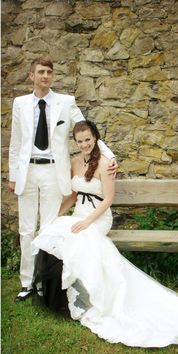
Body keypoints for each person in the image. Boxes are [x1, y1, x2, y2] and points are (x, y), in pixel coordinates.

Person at [32, 120, 178, 348]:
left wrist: (88, 221)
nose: (84, 145)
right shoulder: (75, 162)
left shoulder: (107, 164)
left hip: (98, 217)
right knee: (53, 234)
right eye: (80, 141)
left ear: (96, 138)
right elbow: (72, 197)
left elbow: (108, 200)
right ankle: (59, 298)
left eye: (88, 140)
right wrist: (54, 215)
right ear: (76, 142)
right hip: (80, 213)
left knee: (79, 239)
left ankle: (91, 296)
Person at [8, 57, 117, 303]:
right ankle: (26, 283)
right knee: (26, 230)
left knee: (48, 227)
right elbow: (16, 142)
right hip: (27, 170)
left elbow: (85, 128)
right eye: (41, 72)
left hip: (53, 172)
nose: (45, 76)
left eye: (49, 72)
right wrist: (13, 175)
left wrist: (110, 156)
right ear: (31, 76)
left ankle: (42, 281)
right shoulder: (20, 104)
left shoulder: (65, 103)